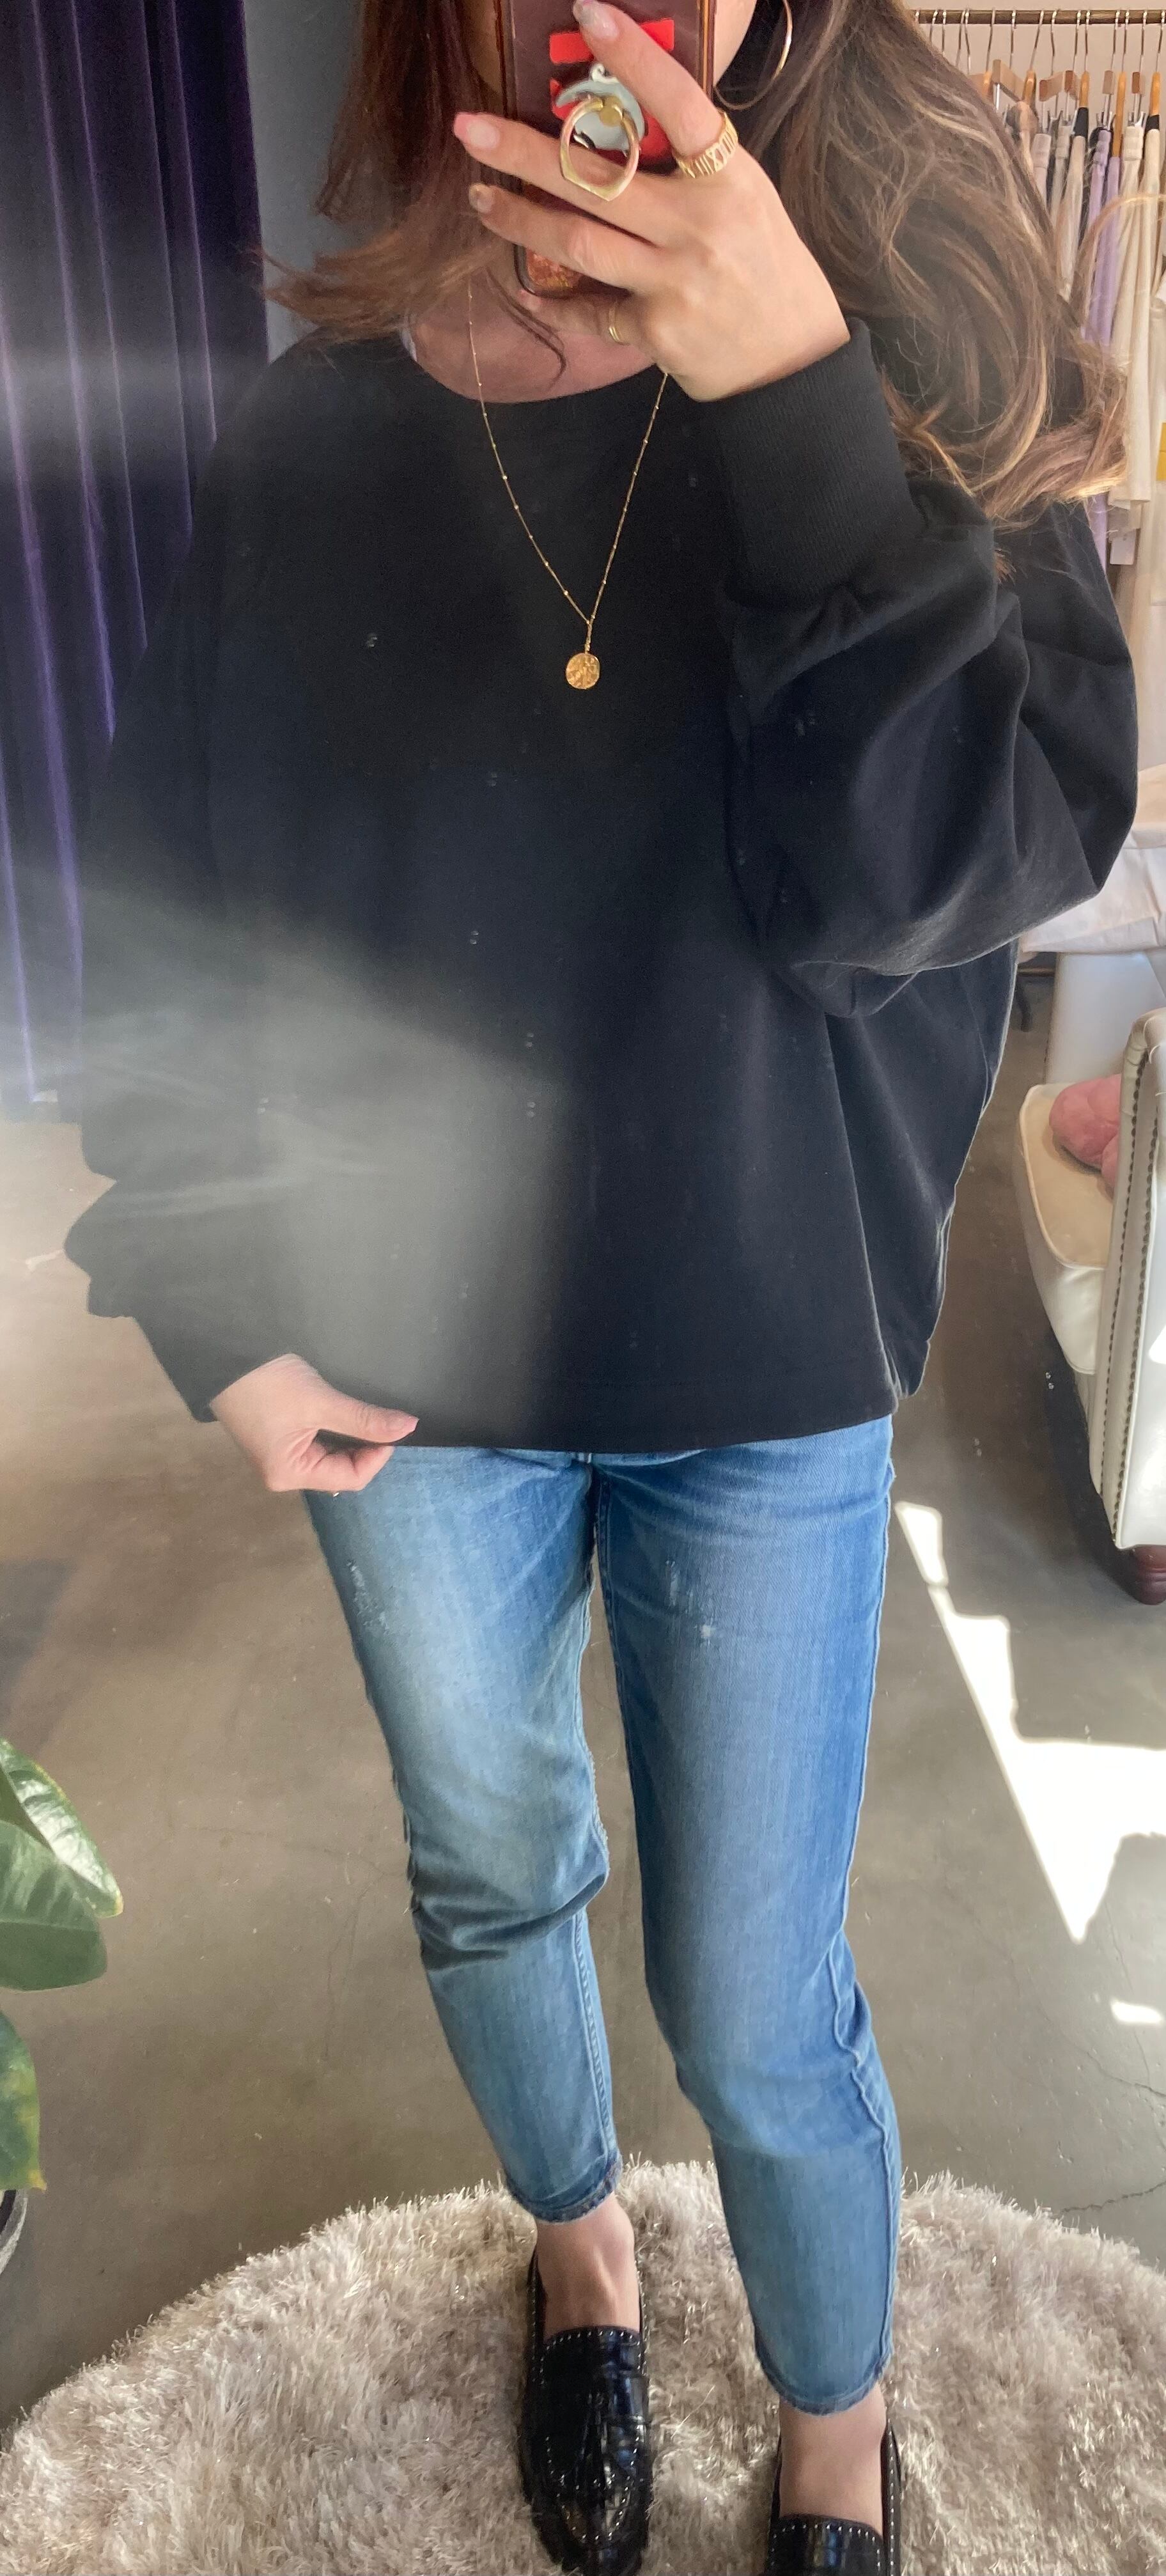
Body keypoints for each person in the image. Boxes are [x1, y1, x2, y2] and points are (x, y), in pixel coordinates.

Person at [65, 2, 1137, 2570]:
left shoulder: (930, 352)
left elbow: (939, 881)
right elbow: (176, 888)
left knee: (760, 2004)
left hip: (766, 1363)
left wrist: (799, 400)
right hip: (396, 1384)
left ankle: (838, 2432)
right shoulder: (321, 424)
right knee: (489, 1875)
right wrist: (208, 1284)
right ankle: (580, 2255)